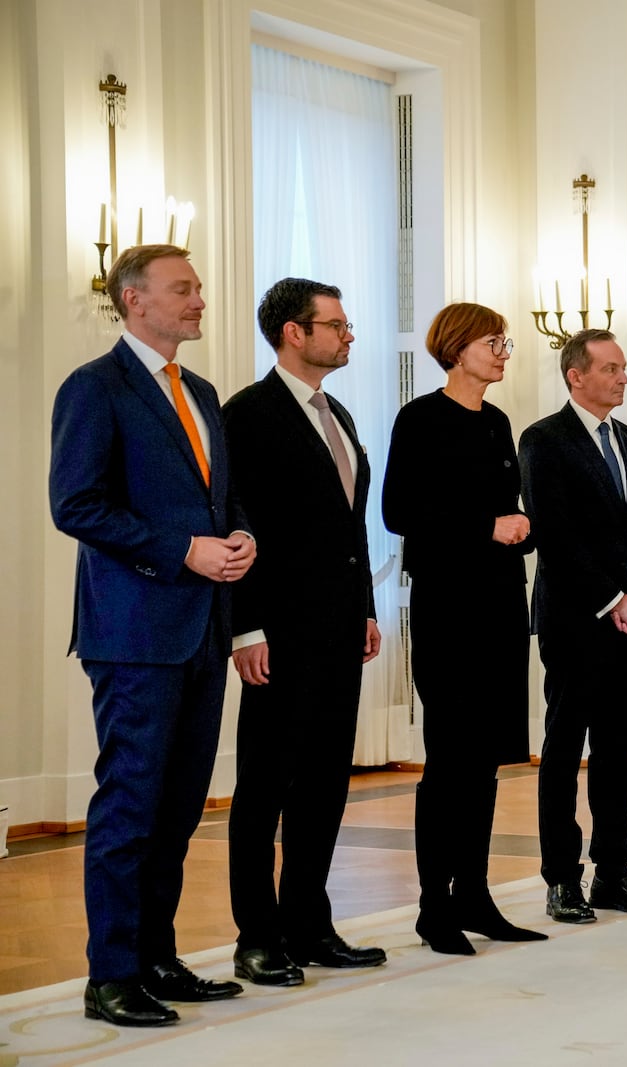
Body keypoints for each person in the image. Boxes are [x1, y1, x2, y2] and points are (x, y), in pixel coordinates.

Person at [49, 244, 255, 1026]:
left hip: (204, 626)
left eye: (199, 286)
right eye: (183, 288)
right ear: (134, 299)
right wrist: (182, 550)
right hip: (134, 632)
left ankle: (159, 958)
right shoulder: (93, 388)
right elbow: (76, 504)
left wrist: (239, 536)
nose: (200, 298)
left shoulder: (198, 390)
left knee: (178, 806)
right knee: (131, 804)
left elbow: (223, 499)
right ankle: (111, 976)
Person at [223, 278, 386, 986]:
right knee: (264, 786)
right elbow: (239, 522)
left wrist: (367, 608)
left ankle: (309, 921)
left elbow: (349, 528)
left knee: (324, 782)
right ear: (295, 332)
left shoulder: (339, 412)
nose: (349, 335)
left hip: (339, 629)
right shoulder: (249, 415)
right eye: (337, 324)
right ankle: (256, 934)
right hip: (277, 633)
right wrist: (245, 628)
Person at [382, 303, 543, 954]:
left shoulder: (500, 421)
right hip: (449, 607)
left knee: (486, 760)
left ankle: (473, 894)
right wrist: (486, 527)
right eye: (492, 341)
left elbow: (503, 509)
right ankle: (433, 907)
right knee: (450, 758)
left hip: (503, 601)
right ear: (456, 348)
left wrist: (520, 525)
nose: (504, 351)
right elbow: (399, 510)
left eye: (506, 342)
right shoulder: (419, 419)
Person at [518, 329, 627, 923]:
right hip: (576, 619)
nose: (622, 377)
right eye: (610, 368)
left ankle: (614, 870)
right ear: (575, 376)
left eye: (624, 368)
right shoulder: (544, 440)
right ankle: (562, 877)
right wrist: (613, 600)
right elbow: (553, 536)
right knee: (563, 750)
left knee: (619, 749)